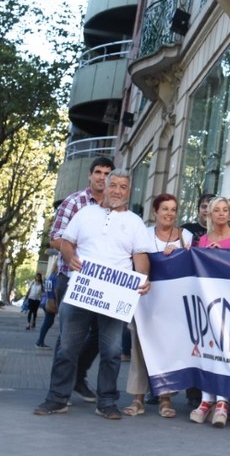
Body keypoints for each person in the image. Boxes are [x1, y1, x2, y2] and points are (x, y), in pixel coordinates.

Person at [34, 169, 151, 419]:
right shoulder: (85, 213)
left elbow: (140, 256)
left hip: (115, 295)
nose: (117, 191)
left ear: (128, 192)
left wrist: (144, 279)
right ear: (105, 187)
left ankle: (107, 402)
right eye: (113, 185)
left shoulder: (135, 222)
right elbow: (66, 241)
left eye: (123, 187)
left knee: (111, 351)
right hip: (80, 291)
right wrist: (70, 257)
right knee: (67, 347)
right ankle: (57, 399)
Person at [48, 156, 114, 403]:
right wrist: (73, 251)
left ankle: (77, 377)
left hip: (104, 283)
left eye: (108, 173)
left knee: (101, 333)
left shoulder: (116, 208)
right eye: (98, 172)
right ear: (90, 175)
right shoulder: (75, 202)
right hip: (72, 277)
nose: (102, 177)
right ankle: (58, 393)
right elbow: (55, 237)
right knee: (68, 336)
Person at [123, 193, 192, 419]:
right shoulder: (142, 234)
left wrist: (182, 253)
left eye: (173, 209)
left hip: (174, 307)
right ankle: (137, 399)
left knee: (168, 350)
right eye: (165, 209)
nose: (169, 213)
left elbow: (195, 264)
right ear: (155, 211)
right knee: (140, 351)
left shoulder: (186, 237)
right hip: (144, 303)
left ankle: (166, 399)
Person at [189, 197, 230, 427]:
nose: (221, 214)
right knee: (205, 350)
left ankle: (223, 400)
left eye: (225, 210)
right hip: (206, 302)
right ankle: (206, 399)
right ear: (208, 215)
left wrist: (224, 255)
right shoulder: (200, 240)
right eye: (216, 210)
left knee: (226, 349)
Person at [35, 272, 58, 349]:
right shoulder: (55, 277)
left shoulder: (50, 276)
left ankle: (40, 341)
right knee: (48, 321)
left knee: (48, 321)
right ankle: (39, 341)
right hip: (51, 302)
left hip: (46, 300)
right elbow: (56, 291)